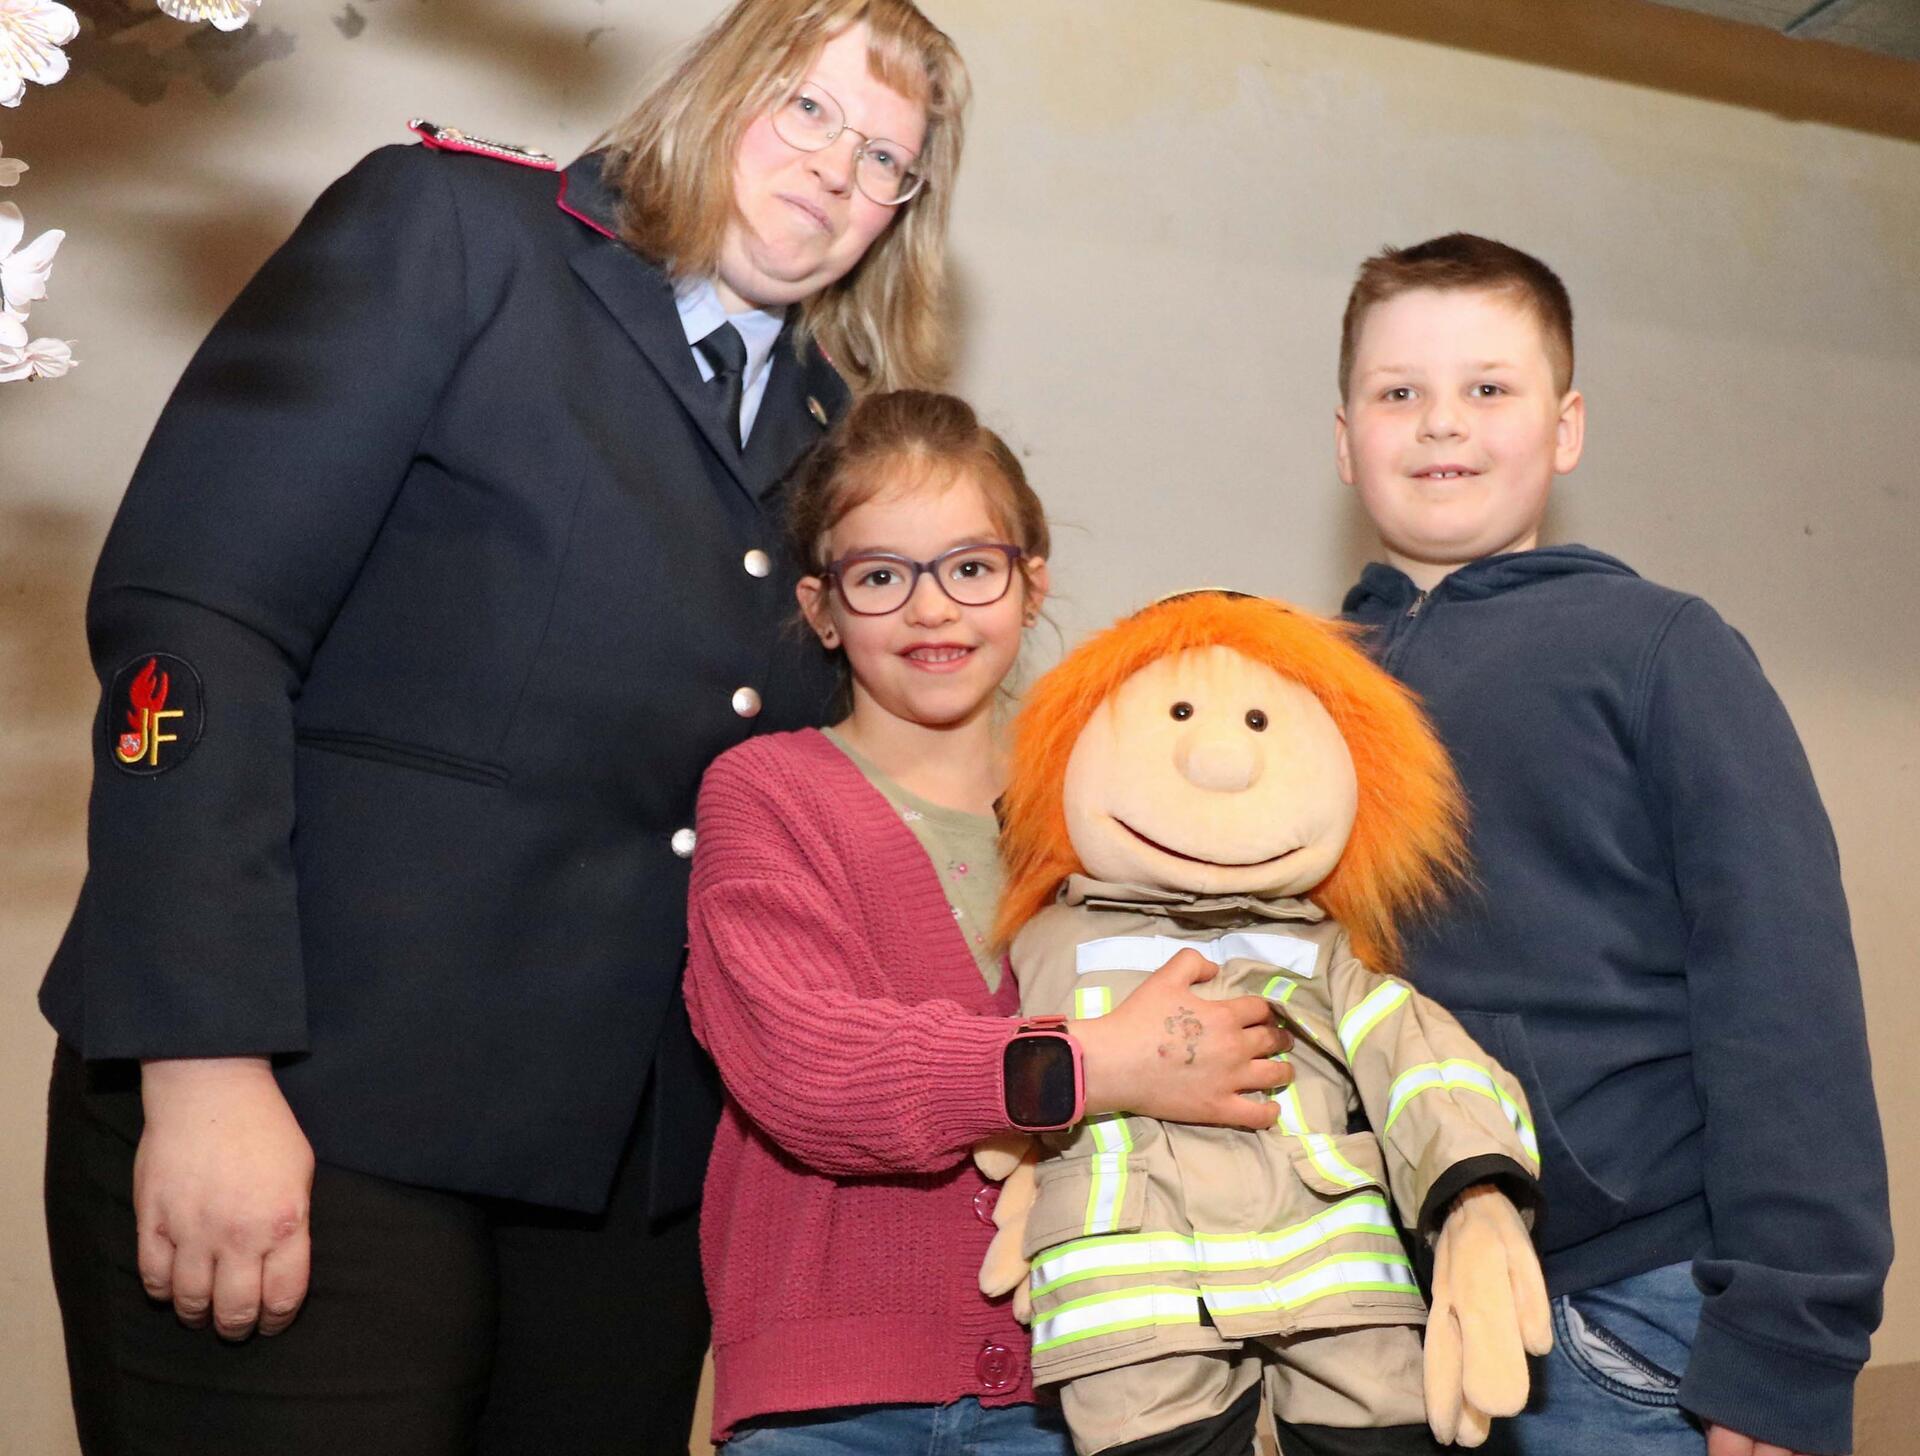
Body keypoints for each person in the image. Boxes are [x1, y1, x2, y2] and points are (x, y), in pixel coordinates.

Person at [40, 4, 977, 1452]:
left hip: (620, 1193)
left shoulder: (835, 429)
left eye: (886, 161)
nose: (836, 173)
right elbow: (194, 627)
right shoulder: (458, 232)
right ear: (717, 90)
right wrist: (205, 1057)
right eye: (806, 112)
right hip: (315, 1102)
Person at [1331, 233, 1892, 1456]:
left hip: (1624, 1312)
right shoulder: (1294, 689)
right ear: (1344, 437)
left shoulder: (1658, 648)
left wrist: (1788, 1343)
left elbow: (1782, 992)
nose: (1442, 425)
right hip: (1368, 1320)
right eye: (1398, 392)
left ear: (1566, 427)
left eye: (1489, 388)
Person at [682, 391, 1295, 1452]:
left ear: (1032, 579)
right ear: (822, 609)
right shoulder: (766, 793)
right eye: (882, 577)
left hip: (1087, 1390)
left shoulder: (1114, 817)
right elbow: (812, 1069)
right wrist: (1093, 1062)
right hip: (829, 1409)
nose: (935, 611)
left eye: (971, 567)